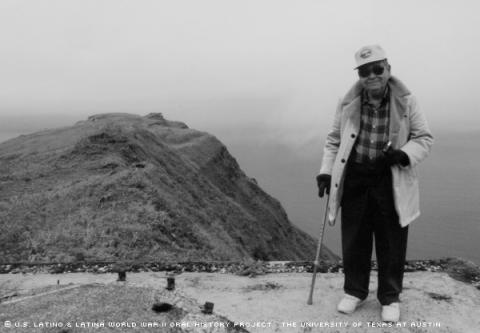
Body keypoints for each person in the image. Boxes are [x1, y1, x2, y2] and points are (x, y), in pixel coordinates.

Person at [316, 45, 433, 322]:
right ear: (359, 75)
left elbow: (424, 138)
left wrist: (403, 154)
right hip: (355, 177)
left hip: (389, 177)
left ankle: (390, 297)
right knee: (354, 238)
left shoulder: (407, 100)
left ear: (388, 69)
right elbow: (334, 140)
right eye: (365, 71)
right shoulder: (347, 102)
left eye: (377, 69)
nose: (372, 76)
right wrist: (326, 171)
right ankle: (354, 291)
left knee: (391, 240)